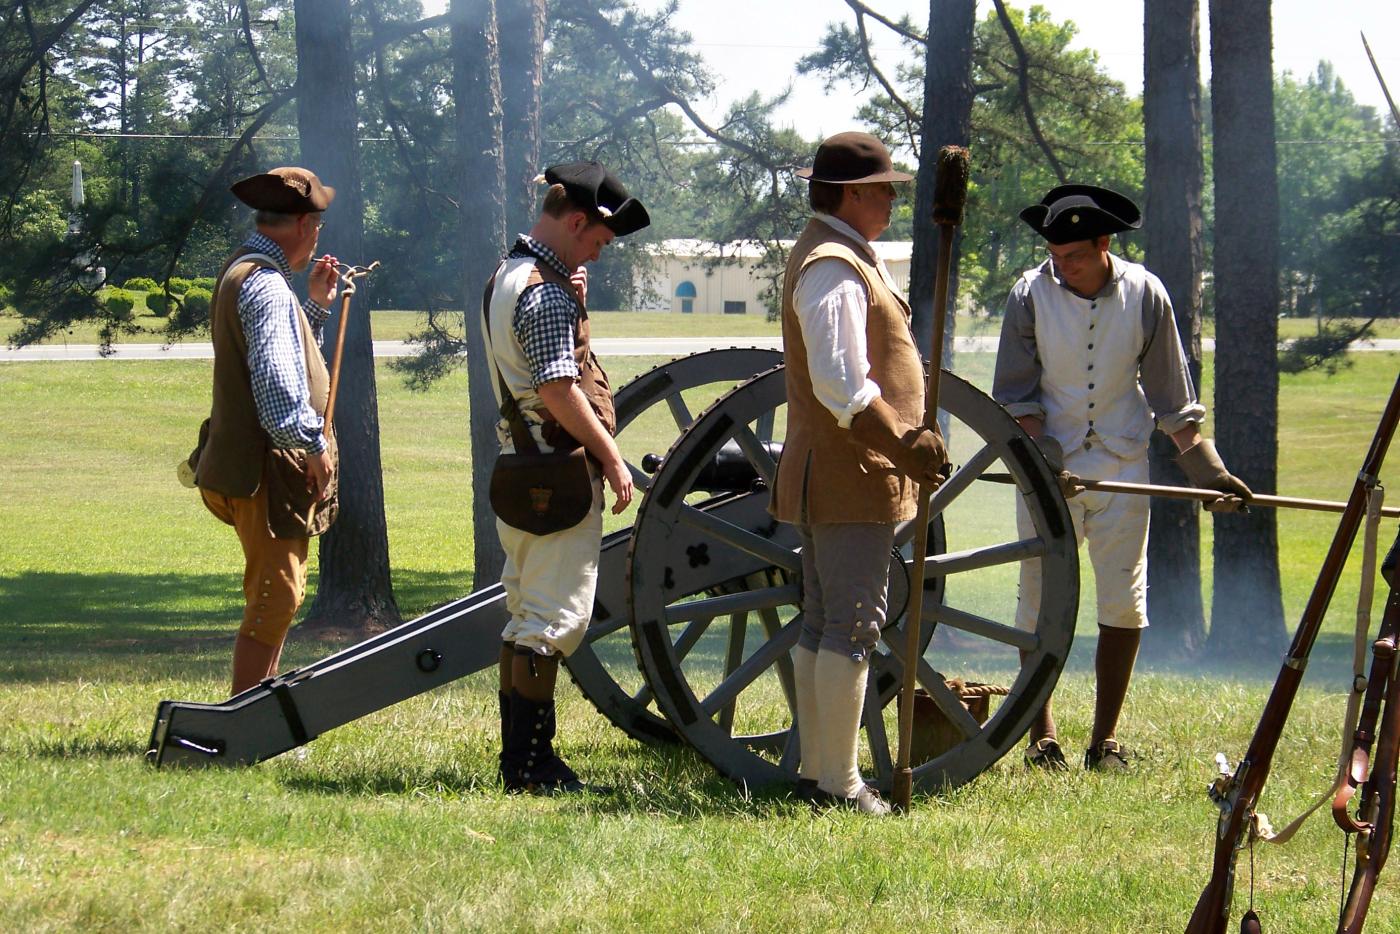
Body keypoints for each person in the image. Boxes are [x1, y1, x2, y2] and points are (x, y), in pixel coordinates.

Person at [993, 184, 1252, 772]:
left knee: (1124, 603)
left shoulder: (1146, 293)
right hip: (1047, 469)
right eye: (1056, 258)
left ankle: (1103, 742)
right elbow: (1016, 397)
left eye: (1075, 257)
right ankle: (1042, 739)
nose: (1064, 268)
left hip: (1121, 464)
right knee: (1037, 600)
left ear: (1105, 244)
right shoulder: (1029, 296)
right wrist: (1045, 460)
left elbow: (1172, 401)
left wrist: (1210, 473)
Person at [772, 132, 950, 815]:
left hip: (841, 468)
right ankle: (840, 785)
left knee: (826, 621)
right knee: (850, 624)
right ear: (849, 194)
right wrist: (906, 443)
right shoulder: (834, 267)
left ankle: (820, 773)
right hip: (854, 466)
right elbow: (843, 383)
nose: (890, 202)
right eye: (882, 190)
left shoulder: (839, 258)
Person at [483, 162, 647, 795]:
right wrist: (608, 454)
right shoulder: (544, 293)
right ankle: (530, 766)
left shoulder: (513, 274)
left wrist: (572, 295)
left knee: (526, 613)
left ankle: (519, 762)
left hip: (521, 469)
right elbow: (556, 387)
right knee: (553, 622)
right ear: (576, 222)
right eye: (597, 242)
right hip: (556, 471)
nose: (598, 256)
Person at [194, 166, 341, 696]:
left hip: (253, 465)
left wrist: (316, 308)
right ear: (304, 224)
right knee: (275, 598)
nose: (317, 237)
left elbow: (285, 355)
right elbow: (280, 393)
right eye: (318, 226)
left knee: (281, 595)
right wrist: (315, 444)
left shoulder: (247, 271)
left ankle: (256, 712)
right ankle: (242, 723)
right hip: (266, 471)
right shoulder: (266, 284)